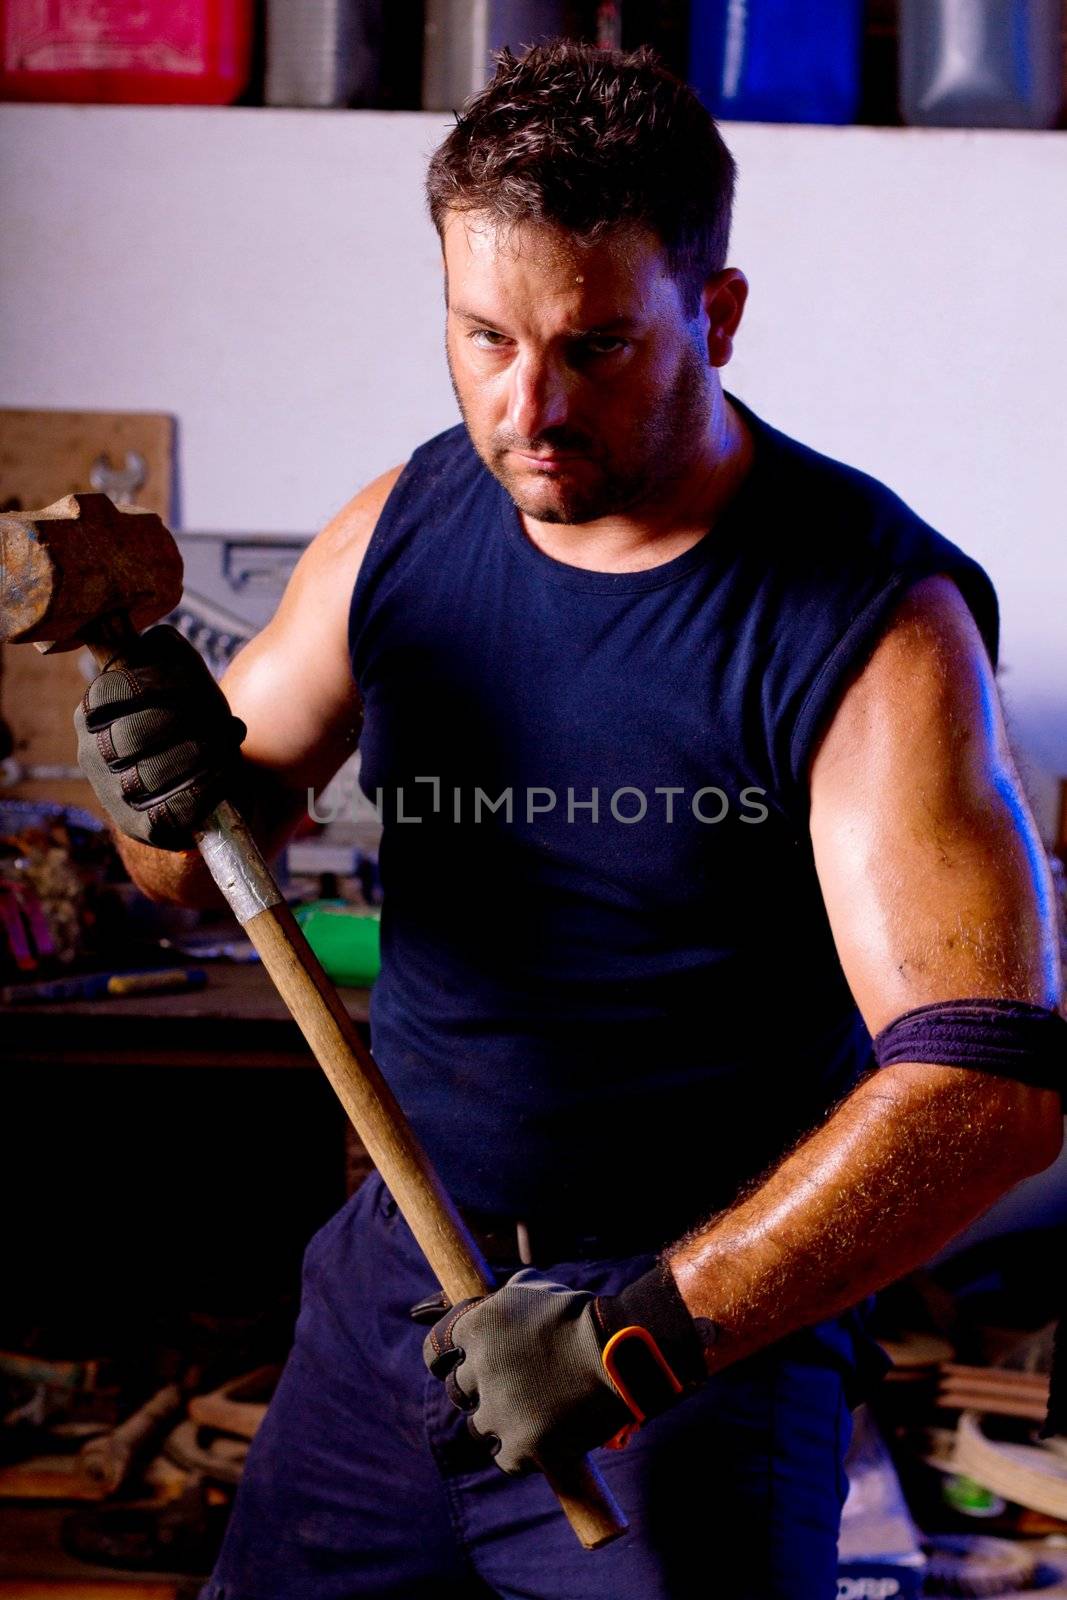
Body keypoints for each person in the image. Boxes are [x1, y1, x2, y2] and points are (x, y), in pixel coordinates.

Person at [75, 41, 1064, 1600]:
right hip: (391, 1300)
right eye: (483, 337)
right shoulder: (404, 524)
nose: (526, 408)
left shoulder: (869, 622)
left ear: (715, 318)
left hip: (687, 1353)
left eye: (596, 348)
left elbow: (987, 1089)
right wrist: (156, 789)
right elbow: (183, 878)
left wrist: (641, 1335)